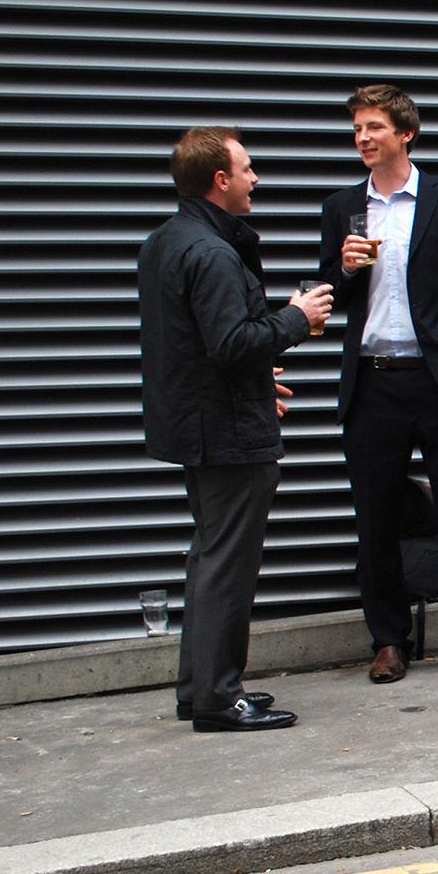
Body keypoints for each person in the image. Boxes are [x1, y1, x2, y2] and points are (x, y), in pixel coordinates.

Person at [318, 85, 438, 684]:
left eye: (373, 126)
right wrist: (344, 269)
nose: (362, 137)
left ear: (406, 133)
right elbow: (329, 295)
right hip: (374, 383)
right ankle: (388, 642)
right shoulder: (344, 208)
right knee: (375, 517)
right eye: (356, 129)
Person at [138, 127, 332, 731]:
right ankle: (220, 699)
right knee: (228, 565)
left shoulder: (166, 241)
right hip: (228, 436)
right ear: (220, 180)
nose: (255, 179)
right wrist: (296, 320)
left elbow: (194, 346)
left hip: (202, 424)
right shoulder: (214, 252)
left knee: (209, 558)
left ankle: (199, 688)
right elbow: (229, 343)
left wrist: (255, 378)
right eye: (247, 169)